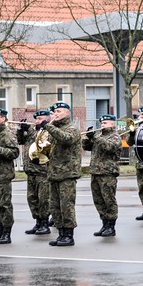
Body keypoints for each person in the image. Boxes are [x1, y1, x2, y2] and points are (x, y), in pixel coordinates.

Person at [44, 102, 82, 247]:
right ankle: (61, 233)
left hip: (67, 173)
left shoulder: (72, 128)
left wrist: (50, 127)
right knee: (55, 206)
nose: (56, 114)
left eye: (59, 111)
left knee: (66, 206)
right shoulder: (55, 128)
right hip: (54, 172)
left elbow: (67, 139)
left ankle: (68, 235)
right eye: (55, 112)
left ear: (67, 112)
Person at [82, 114, 122, 237]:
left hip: (107, 172)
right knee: (98, 200)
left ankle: (111, 226)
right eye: (102, 123)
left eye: (105, 123)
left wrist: (95, 137)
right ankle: (104, 224)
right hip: (95, 171)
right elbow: (86, 147)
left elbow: (109, 147)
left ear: (112, 123)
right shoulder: (99, 136)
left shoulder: (115, 136)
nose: (102, 125)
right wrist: (88, 138)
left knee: (109, 200)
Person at [17, 109, 51, 235]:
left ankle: (45, 223)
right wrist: (21, 130)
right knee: (32, 198)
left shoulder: (48, 131)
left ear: (47, 118)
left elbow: (45, 146)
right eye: (36, 119)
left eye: (40, 118)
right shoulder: (33, 131)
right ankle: (38, 222)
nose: (37, 121)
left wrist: (34, 130)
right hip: (30, 171)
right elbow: (21, 141)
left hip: (42, 171)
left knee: (44, 199)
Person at [0, 108, 20, 244]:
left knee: (4, 204)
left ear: (2, 118)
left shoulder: (7, 133)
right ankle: (0, 229)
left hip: (3, 175)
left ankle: (6, 232)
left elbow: (14, 153)